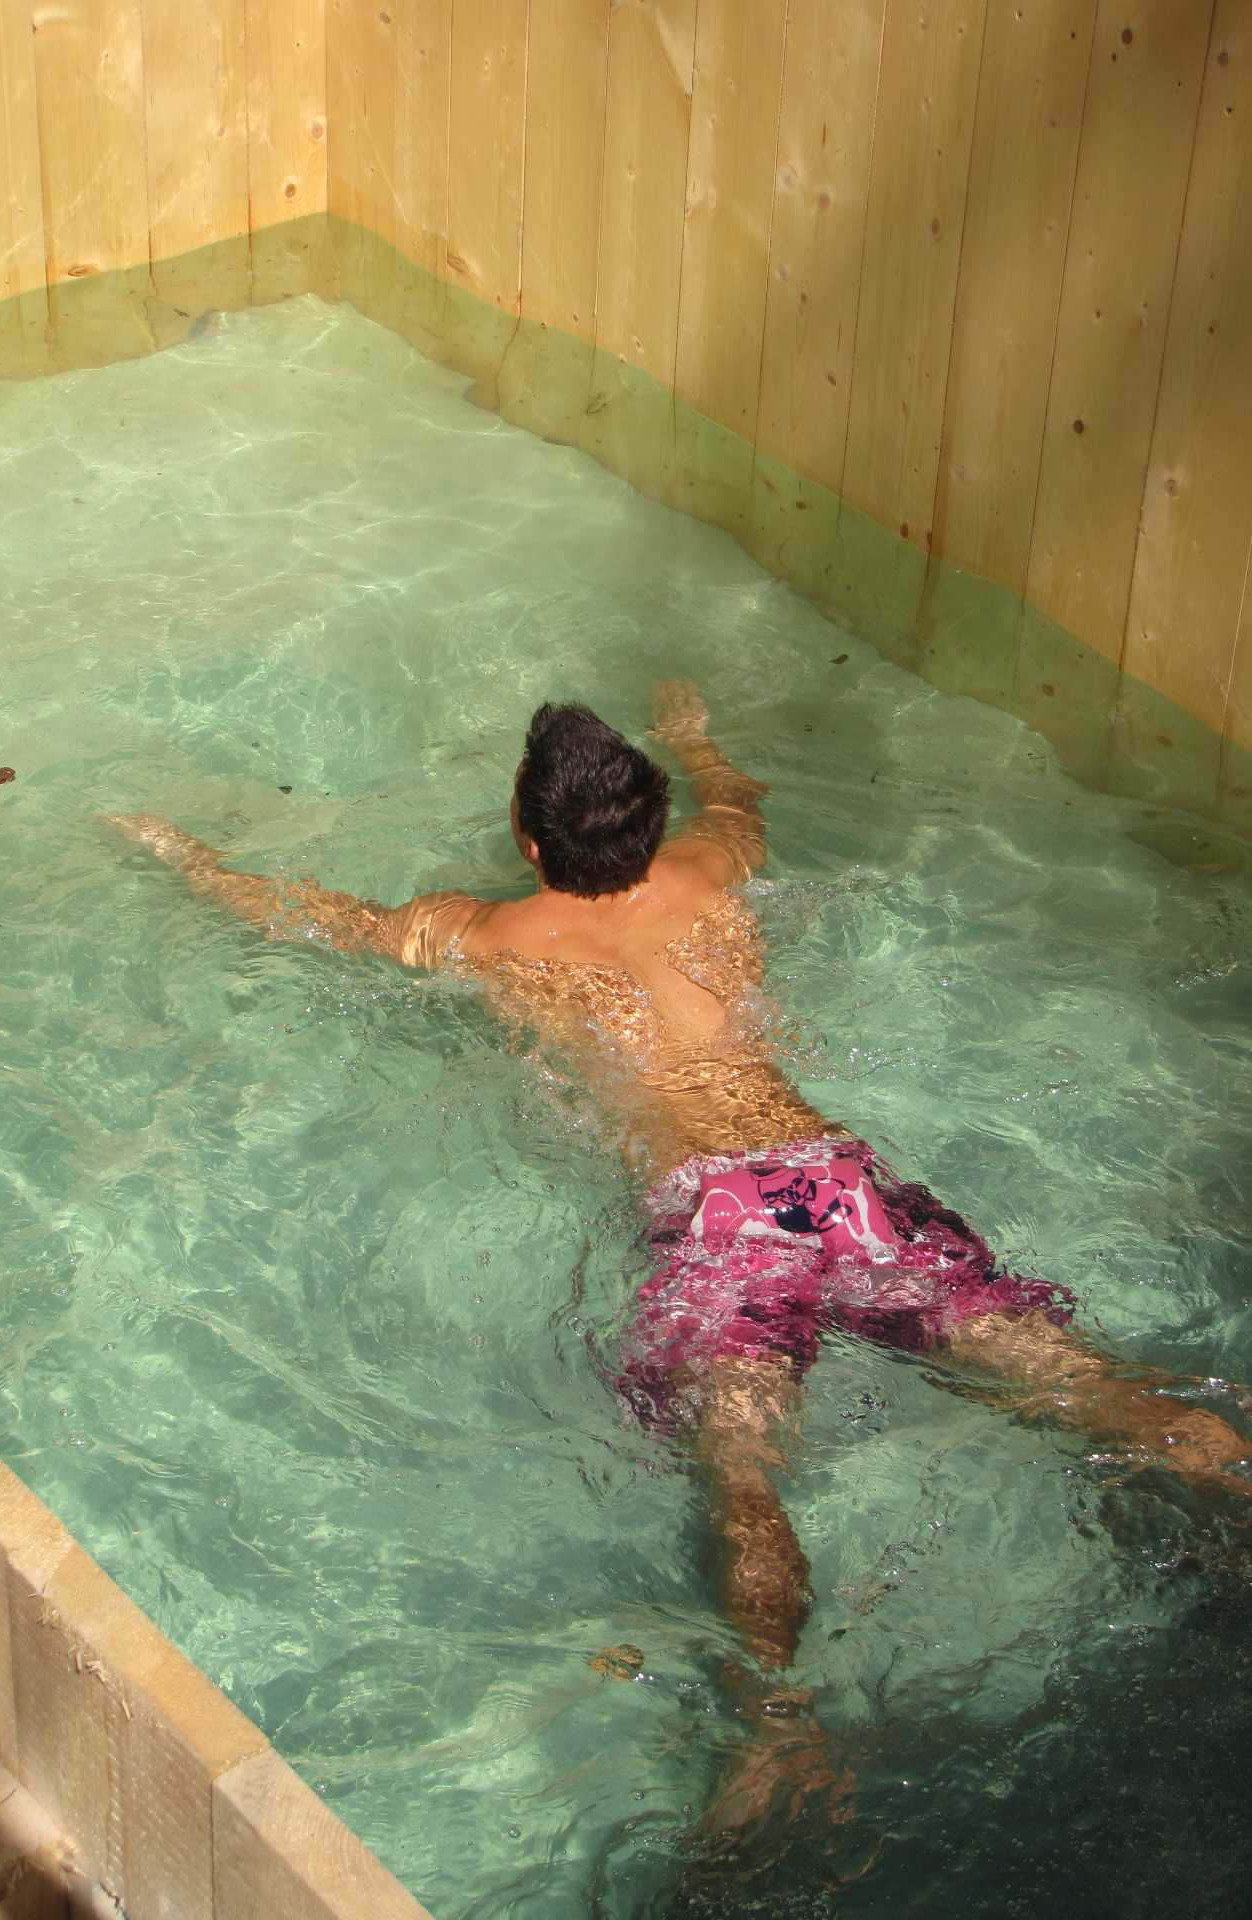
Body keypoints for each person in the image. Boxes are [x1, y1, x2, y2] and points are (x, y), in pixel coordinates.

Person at [109, 684, 1248, 1829]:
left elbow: (306, 916)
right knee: (1082, 1382)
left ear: (526, 837)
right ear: (650, 824)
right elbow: (743, 802)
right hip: (835, 1180)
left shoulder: (487, 935)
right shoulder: (707, 870)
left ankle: (778, 1724)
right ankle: (1224, 1470)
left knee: (744, 1479)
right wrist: (697, 736)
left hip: (720, 1220)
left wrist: (178, 852)